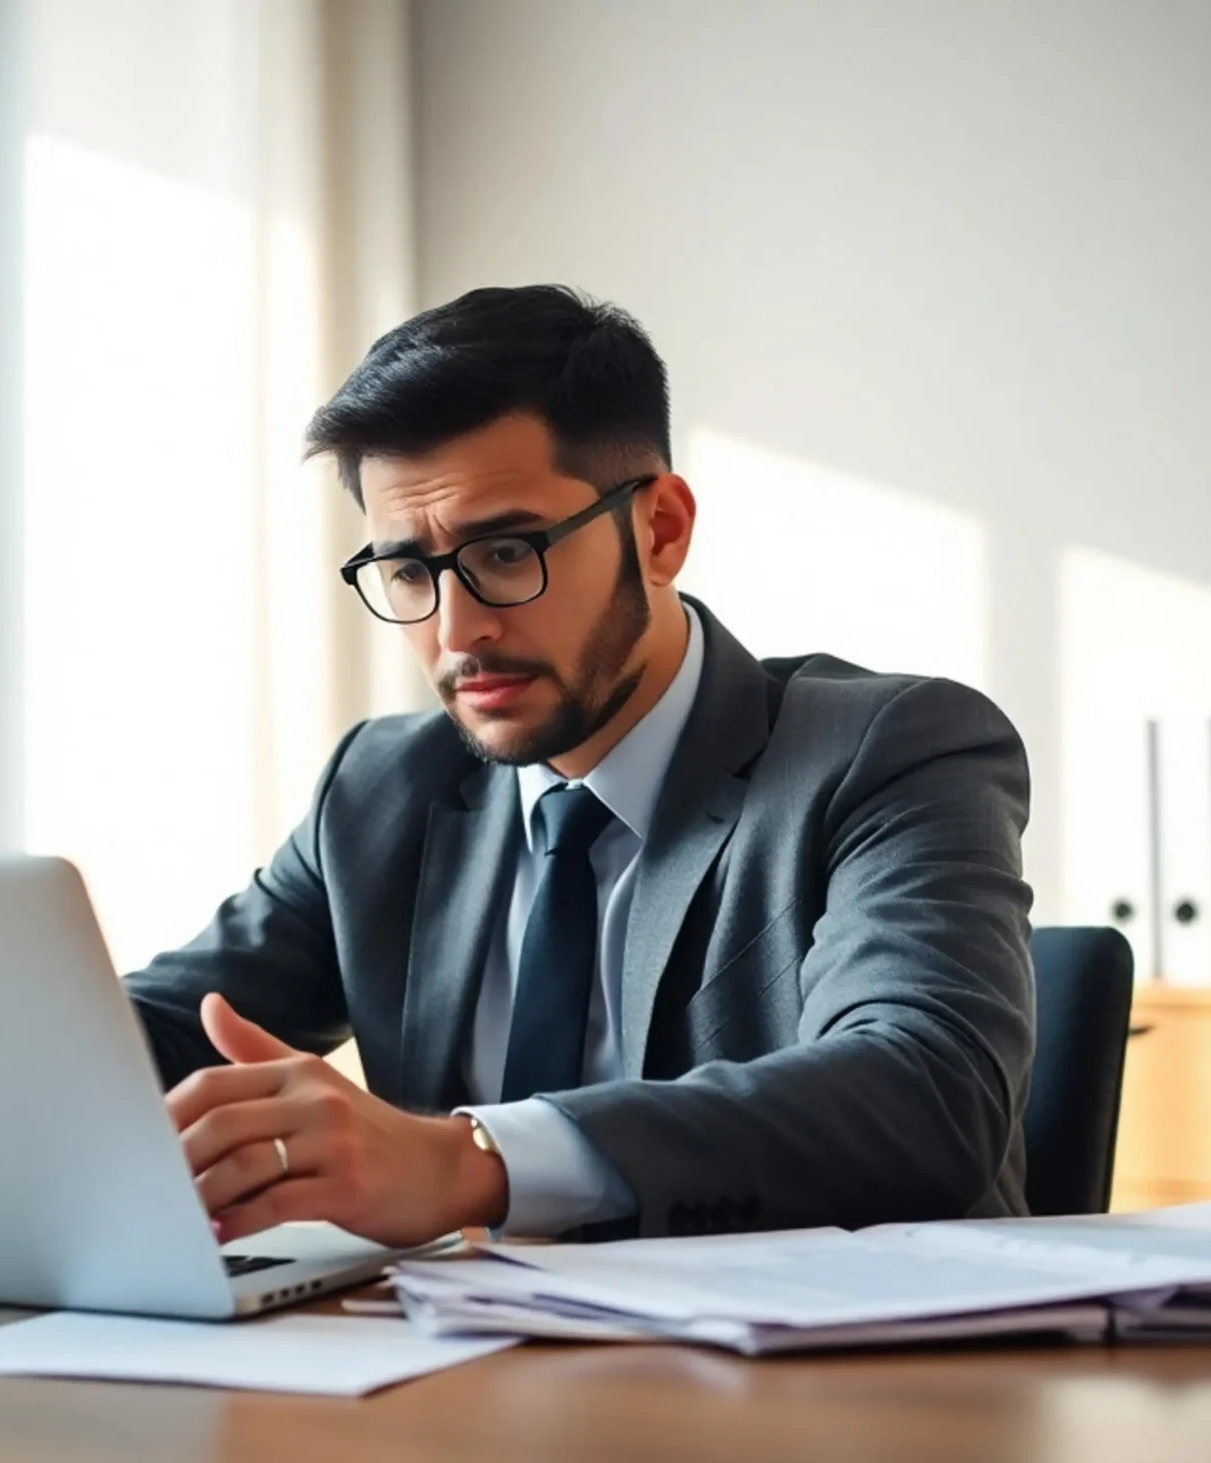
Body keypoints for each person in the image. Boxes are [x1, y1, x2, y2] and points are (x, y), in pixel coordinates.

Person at [125, 285, 1035, 1247]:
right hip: (460, 1336)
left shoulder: (889, 749)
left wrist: (467, 1161)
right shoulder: (380, 787)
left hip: (827, 1339)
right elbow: (158, 1034)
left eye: (505, 552)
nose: (457, 630)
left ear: (660, 530)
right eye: (409, 571)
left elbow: (925, 1087)